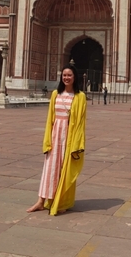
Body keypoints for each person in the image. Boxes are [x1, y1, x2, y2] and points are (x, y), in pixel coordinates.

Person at [27, 65, 87, 216]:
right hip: (55, 136)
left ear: (75, 77)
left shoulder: (80, 96)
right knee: (50, 170)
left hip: (69, 137)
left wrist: (76, 143)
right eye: (64, 75)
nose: (66, 78)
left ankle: (62, 201)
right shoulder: (55, 94)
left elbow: (80, 122)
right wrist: (48, 138)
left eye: (69, 75)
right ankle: (41, 201)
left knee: (64, 170)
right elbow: (50, 119)